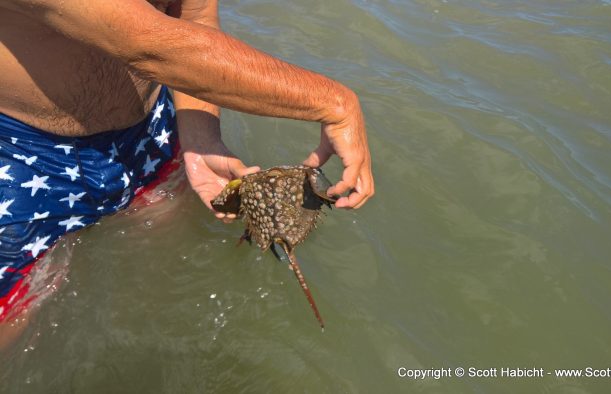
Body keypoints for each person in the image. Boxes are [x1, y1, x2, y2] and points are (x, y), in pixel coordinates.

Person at [0, 0, 374, 347]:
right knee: (13, 316)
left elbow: (193, 20)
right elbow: (146, 44)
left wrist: (201, 134)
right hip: (21, 153)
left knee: (152, 277)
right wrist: (336, 104)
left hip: (148, 129)